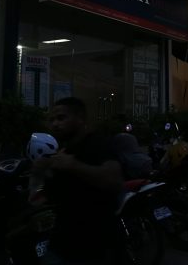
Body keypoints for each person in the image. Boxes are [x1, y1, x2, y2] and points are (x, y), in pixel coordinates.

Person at [32, 97, 124, 264]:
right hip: (62, 243)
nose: (55, 124)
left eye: (61, 118)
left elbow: (115, 181)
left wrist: (74, 166)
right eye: (51, 120)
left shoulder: (98, 143)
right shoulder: (63, 151)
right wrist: (42, 173)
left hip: (94, 245)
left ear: (80, 118)